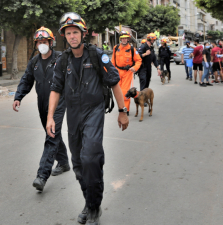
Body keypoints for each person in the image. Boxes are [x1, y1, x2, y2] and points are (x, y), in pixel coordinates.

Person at [47, 12, 129, 225]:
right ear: (64, 36)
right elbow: (55, 89)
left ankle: (93, 208)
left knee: (91, 158)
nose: (72, 36)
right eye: (68, 33)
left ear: (83, 34)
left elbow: (114, 82)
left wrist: (123, 111)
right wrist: (50, 117)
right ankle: (90, 202)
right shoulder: (62, 60)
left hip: (94, 111)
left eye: (76, 32)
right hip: (73, 114)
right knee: (77, 162)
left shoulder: (97, 55)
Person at [13, 27, 70, 192]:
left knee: (51, 134)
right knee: (52, 131)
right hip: (42, 102)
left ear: (51, 43)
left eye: (45, 42)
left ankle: (42, 175)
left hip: (59, 101)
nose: (42, 45)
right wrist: (18, 96)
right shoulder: (34, 62)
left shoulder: (61, 58)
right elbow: (26, 80)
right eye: (39, 42)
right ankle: (64, 162)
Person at [111, 30, 142, 116]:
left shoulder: (132, 49)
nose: (124, 40)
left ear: (128, 39)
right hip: (117, 71)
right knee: (118, 91)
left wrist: (134, 68)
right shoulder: (116, 48)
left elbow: (138, 60)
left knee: (125, 91)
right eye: (122, 38)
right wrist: (110, 71)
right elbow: (112, 61)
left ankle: (126, 109)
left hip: (127, 72)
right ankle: (121, 107)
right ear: (120, 39)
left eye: (125, 38)